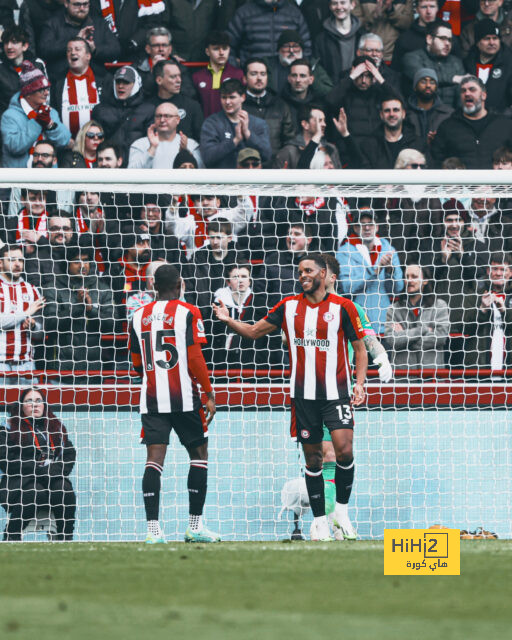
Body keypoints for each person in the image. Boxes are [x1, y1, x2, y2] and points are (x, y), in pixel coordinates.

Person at [213, 252, 368, 541]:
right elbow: (253, 332)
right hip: (303, 397)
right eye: (300, 272)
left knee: (345, 451)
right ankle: (321, 520)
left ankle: (342, 512)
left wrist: (359, 383)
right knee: (313, 461)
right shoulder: (288, 307)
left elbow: (360, 348)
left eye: (308, 270)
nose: (302, 276)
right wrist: (226, 320)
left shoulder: (344, 307)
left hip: (337, 393)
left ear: (323, 274)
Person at [130, 263, 220, 543]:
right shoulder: (189, 312)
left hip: (152, 399)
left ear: (153, 287)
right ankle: (194, 526)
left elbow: (135, 364)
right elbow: (195, 358)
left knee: (154, 460)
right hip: (185, 398)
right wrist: (208, 393)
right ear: (180, 284)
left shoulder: (137, 315)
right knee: (199, 456)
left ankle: (153, 532)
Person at [316, 253, 391, 539]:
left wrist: (382, 358)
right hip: (308, 391)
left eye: (317, 272)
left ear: (331, 276)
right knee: (319, 456)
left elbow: (368, 340)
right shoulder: (302, 308)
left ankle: (335, 518)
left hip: (339, 389)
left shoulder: (351, 308)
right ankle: (323, 519)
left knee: (337, 453)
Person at [0, 387, 76, 541]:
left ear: (44, 405)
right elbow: (6, 460)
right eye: (29, 401)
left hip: (50, 480)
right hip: (19, 483)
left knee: (64, 487)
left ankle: (65, 537)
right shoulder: (8, 428)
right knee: (35, 491)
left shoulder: (56, 428)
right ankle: (11, 535)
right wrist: (36, 470)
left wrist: (53, 470)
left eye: (38, 401)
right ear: (21, 406)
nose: (34, 405)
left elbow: (69, 455)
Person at [43, 245, 116, 373]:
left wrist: (90, 310)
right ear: (67, 264)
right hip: (61, 367)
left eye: (86, 260)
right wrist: (78, 307)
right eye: (77, 261)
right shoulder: (52, 288)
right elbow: (49, 324)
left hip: (94, 368)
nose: (83, 266)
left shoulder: (103, 288)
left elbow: (112, 324)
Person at [337, 207, 404, 334]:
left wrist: (390, 272)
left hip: (384, 325)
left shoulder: (389, 249)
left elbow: (398, 289)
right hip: (356, 326)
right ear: (356, 228)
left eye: (370, 224)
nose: (367, 228)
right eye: (362, 224)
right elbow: (347, 288)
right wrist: (375, 271)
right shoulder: (344, 252)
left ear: (377, 227)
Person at [430, 74, 512, 168]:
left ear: (483, 95)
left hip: (498, 182)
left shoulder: (504, 125)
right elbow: (437, 162)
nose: (467, 93)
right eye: (463, 91)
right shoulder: (447, 127)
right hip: (459, 182)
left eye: (472, 89)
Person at [1, 61, 70, 168]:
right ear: (28, 93)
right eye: (41, 90)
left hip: (48, 177)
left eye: (47, 89)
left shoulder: (50, 112)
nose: (46, 93)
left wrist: (50, 126)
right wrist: (37, 122)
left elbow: (64, 141)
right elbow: (14, 146)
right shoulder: (9, 116)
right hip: (20, 178)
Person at [384, 262, 450, 368]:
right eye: (406, 277)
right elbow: (392, 340)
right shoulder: (394, 309)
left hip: (431, 376)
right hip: (404, 377)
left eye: (414, 276)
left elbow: (441, 337)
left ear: (425, 281)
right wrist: (423, 330)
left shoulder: (439, 305)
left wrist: (405, 338)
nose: (409, 280)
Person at [38, 0, 120, 83]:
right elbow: (44, 49)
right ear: (66, 3)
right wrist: (74, 42)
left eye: (85, 4)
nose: (82, 8)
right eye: (77, 4)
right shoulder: (52, 23)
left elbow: (116, 50)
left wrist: (95, 49)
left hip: (96, 80)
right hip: (61, 82)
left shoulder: (99, 23)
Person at [200, 78, 272, 169]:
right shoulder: (211, 123)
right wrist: (235, 141)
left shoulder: (259, 123)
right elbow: (207, 157)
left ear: (243, 97)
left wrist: (248, 134)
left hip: (251, 179)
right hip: (222, 179)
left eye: (232, 97)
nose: (227, 102)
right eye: (224, 97)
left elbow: (267, 155)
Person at [0, 244, 44, 379]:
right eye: (12, 260)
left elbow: (40, 333)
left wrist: (33, 325)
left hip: (26, 363)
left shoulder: (32, 290)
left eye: (20, 260)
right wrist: (25, 313)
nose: (18, 264)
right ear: (0, 263)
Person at [227, 0, 312, 67]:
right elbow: (228, 46)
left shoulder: (294, 14)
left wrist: (298, 69)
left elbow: (307, 48)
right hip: (253, 78)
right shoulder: (244, 13)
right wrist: (240, 69)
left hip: (287, 79)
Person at [463, 252, 512, 368]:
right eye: (495, 269)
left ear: (510, 273)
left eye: (503, 270)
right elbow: (466, 328)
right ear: (488, 271)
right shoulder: (474, 295)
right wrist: (482, 309)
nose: (499, 273)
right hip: (480, 368)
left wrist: (504, 311)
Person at [243, 57, 296, 163]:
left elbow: (289, 139)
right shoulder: (238, 105)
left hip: (276, 167)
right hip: (247, 166)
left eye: (263, 74)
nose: (259, 78)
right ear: (244, 78)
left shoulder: (280, 105)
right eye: (254, 74)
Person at [402, 19, 464, 108]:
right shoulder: (412, 58)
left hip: (451, 117)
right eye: (442, 38)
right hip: (420, 115)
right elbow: (423, 77)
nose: (447, 43)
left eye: (450, 40)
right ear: (429, 39)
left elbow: (460, 96)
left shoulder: (456, 62)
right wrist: (453, 78)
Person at [92, 65, 155, 152]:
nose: (121, 86)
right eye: (118, 82)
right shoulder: (100, 110)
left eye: (126, 82)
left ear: (136, 84)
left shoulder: (148, 110)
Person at [51, 37, 100, 138]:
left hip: (98, 144)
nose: (73, 53)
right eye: (69, 50)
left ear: (88, 56)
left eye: (77, 49)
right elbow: (52, 114)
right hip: (68, 146)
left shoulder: (103, 79)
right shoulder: (57, 82)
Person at [128, 102, 202, 169]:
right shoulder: (139, 144)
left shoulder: (191, 145)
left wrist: (185, 153)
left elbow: (202, 175)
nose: (162, 120)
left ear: (178, 120)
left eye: (167, 116)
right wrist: (152, 149)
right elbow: (130, 175)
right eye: (158, 116)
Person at [361, 95, 424, 169]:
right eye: (387, 110)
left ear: (403, 114)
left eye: (396, 110)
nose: (391, 114)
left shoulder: (418, 144)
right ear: (381, 115)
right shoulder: (369, 145)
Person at [463, 19, 512, 114]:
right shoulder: (468, 62)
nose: (492, 43)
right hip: (472, 118)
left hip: (500, 120)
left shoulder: (509, 62)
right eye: (487, 38)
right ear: (478, 42)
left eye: (495, 38)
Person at [267, 28, 333, 98]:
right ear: (279, 49)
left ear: (301, 49)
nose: (291, 50)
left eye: (295, 46)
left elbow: (328, 91)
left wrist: (309, 75)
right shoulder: (269, 65)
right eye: (286, 46)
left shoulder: (312, 64)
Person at [192, 30, 244, 118]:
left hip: (231, 127)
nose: (221, 52)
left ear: (229, 50)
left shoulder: (238, 74)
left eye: (224, 48)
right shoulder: (197, 77)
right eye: (216, 48)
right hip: (205, 126)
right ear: (207, 51)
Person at [150, 60, 204, 141]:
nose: (179, 80)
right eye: (173, 77)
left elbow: (201, 140)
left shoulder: (192, 106)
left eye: (179, 76)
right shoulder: (147, 107)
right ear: (159, 80)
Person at [0, 25, 46, 115]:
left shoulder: (38, 64)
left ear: (25, 46)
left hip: (34, 120)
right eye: (6, 42)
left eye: (14, 42)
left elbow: (46, 97)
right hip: (8, 121)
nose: (9, 46)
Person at [314, 0, 364, 83]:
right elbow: (318, 70)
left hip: (358, 90)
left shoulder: (362, 35)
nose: (339, 7)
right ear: (330, 6)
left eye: (343, 2)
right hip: (332, 91)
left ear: (352, 5)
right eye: (334, 3)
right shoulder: (321, 39)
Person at [405, 67, 453, 144]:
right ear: (415, 87)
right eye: (423, 82)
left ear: (436, 87)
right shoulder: (405, 113)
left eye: (432, 82)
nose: (428, 85)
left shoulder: (448, 114)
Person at [391, 0, 439, 67]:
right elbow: (396, 70)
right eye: (424, 7)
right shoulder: (404, 39)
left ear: (437, 8)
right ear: (417, 9)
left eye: (432, 6)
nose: (428, 11)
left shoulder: (447, 37)